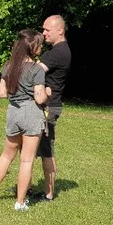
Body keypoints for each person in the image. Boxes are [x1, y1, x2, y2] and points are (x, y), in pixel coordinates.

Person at [0, 30, 48, 211]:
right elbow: (39, 98)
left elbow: (1, 93)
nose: (41, 47)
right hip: (31, 112)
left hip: (13, 112)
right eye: (39, 44)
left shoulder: (9, 66)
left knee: (6, 155)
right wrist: (47, 92)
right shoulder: (37, 69)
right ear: (32, 47)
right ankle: (20, 202)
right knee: (26, 160)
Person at [34, 14, 71, 201]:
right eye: (43, 29)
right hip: (47, 104)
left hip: (49, 107)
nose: (44, 33)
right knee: (40, 148)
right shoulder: (56, 49)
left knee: (47, 149)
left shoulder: (58, 52)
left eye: (47, 29)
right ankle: (44, 189)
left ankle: (48, 193)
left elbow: (34, 71)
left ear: (60, 30)